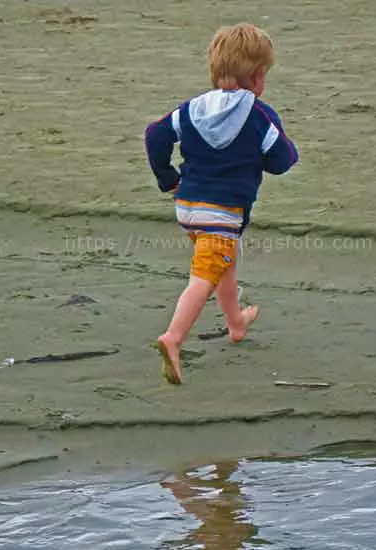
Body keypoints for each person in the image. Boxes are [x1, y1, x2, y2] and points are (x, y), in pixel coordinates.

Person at [144, 22, 299, 384]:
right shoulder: (260, 115)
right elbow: (282, 161)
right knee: (203, 276)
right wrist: (280, 150)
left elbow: (155, 134)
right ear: (258, 77)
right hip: (223, 213)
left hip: (188, 207)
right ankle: (173, 337)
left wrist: (167, 178)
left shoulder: (192, 108)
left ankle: (236, 323)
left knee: (221, 264)